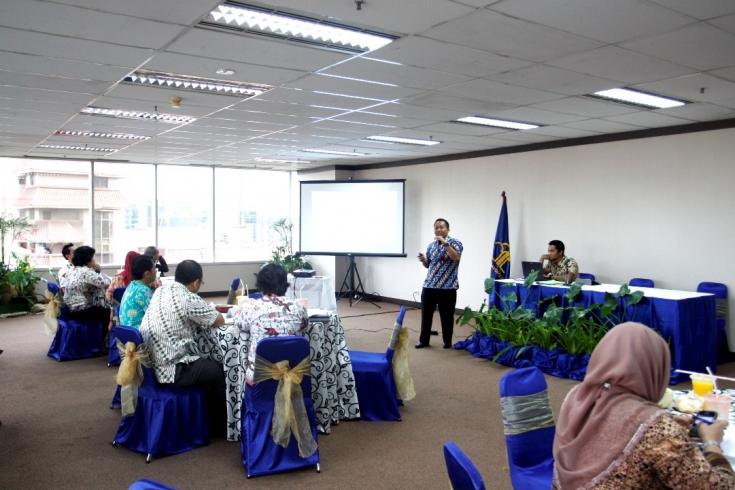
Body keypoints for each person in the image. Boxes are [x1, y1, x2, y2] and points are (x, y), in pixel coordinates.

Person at [553, 322, 735, 489]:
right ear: (655, 368)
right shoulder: (657, 428)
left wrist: (664, 425)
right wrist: (712, 442)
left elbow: (605, 430)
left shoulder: (575, 398)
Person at [139, 260, 226, 431]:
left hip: (148, 364)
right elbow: (219, 320)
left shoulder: (161, 290)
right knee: (218, 371)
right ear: (195, 283)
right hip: (171, 369)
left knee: (202, 360)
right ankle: (218, 424)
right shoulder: (189, 298)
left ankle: (202, 412)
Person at [233, 263, 309, 386]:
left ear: (261, 285)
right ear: (285, 284)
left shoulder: (252, 308)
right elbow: (305, 326)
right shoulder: (299, 307)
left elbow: (240, 325)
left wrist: (244, 306)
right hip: (294, 375)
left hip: (260, 378)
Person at [415, 218, 463, 349]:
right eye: (436, 227)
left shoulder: (455, 243)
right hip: (430, 285)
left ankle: (447, 341)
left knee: (447, 316)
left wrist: (446, 244)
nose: (439, 230)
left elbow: (456, 258)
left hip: (447, 287)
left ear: (448, 229)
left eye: (441, 227)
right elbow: (429, 265)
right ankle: (424, 340)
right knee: (426, 314)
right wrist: (424, 260)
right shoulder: (431, 246)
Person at [63, 245, 113, 325]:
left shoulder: (73, 269)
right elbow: (106, 283)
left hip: (71, 308)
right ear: (87, 258)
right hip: (80, 310)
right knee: (108, 312)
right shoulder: (85, 272)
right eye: (93, 257)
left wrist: (95, 270)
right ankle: (101, 336)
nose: (94, 260)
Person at [118, 255, 156, 329]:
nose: (156, 271)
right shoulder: (144, 291)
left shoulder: (132, 285)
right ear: (147, 274)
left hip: (127, 332)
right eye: (154, 268)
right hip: (138, 333)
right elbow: (155, 316)